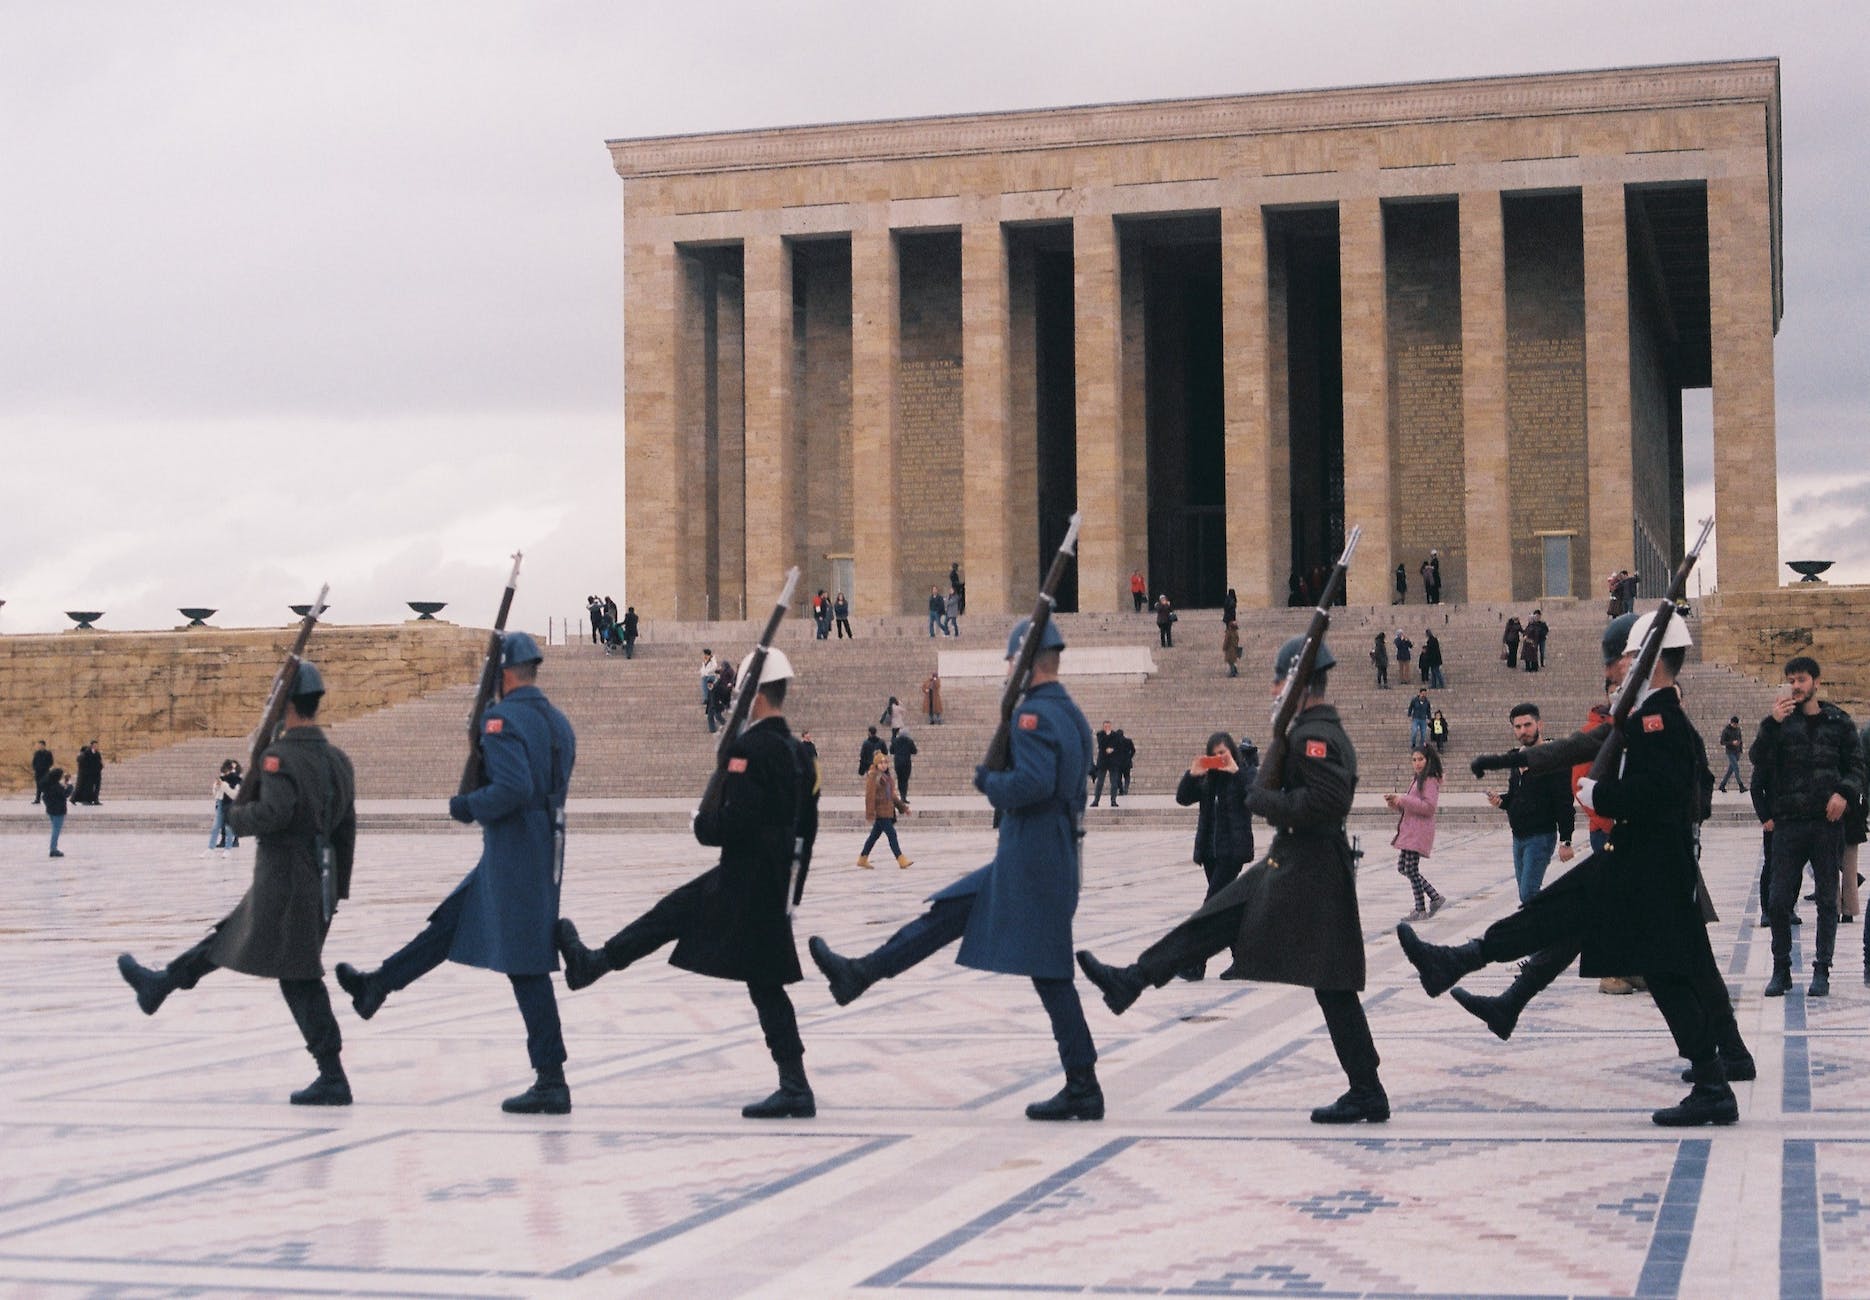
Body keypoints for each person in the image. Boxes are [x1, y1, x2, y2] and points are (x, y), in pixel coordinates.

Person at [1398, 610, 1749, 1126]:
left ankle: (1461, 961)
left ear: (1643, 661)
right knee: (1628, 949)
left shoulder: (1662, 720)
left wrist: (1600, 793)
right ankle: (1714, 1080)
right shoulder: (1645, 715)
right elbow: (1590, 749)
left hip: (1648, 863)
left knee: (1570, 920)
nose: (1615, 669)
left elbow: (1664, 793)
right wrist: (1510, 761)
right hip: (1642, 860)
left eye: (1623, 660)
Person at [1078, 634, 1388, 1124]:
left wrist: (1263, 799)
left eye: (1278, 681)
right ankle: (1132, 979)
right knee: (1221, 921)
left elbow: (1327, 803)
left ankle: (1368, 1088)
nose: (1271, 690)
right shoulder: (1308, 728)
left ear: (1298, 683)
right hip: (1299, 862)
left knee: (1329, 979)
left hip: (1308, 865)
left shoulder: (1317, 735)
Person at [808, 617, 1102, 1121]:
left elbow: (1033, 783)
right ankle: (862, 972)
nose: (1008, 669)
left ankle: (1083, 1085)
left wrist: (990, 783)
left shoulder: (1033, 714)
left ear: (1028, 664)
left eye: (1012, 662)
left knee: (1050, 970)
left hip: (1032, 857)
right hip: (1048, 854)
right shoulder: (1069, 712)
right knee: (950, 915)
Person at [558, 647, 820, 1118]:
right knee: (759, 977)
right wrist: (792, 892)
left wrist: (703, 825)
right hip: (773, 882)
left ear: (754, 697)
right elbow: (809, 827)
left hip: (743, 881)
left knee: (677, 920)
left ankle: (592, 963)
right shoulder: (799, 753)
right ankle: (794, 1083)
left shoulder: (750, 749)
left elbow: (735, 822)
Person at [335, 633, 577, 1114]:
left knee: (526, 962)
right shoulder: (559, 722)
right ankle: (377, 985)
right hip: (543, 845)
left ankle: (551, 1078)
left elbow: (512, 787)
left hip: (514, 850)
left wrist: (467, 805)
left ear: (503, 674)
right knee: (451, 923)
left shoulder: (501, 719)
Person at [117, 662, 359, 1104]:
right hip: (318, 877)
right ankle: (162, 984)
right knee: (230, 937)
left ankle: (333, 1074)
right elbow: (346, 829)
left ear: (286, 704)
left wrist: (235, 817)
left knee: (298, 975)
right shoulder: (338, 760)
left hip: (285, 877)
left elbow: (274, 815)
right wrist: (336, 890)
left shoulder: (279, 757)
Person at [1749, 655, 1865, 997]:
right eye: (1791, 680)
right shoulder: (1779, 724)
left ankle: (1822, 971)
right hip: (1788, 824)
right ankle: (1781, 968)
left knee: (1828, 900)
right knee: (1779, 899)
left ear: (1816, 682)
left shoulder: (1840, 723)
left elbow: (1856, 769)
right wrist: (1771, 723)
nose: (1796, 686)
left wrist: (1844, 793)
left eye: (1801, 679)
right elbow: (1758, 760)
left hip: (1826, 826)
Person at [1172, 732, 1256, 980]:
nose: (1220, 758)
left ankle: (1195, 963)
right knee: (1225, 908)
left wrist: (1235, 771)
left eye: (1223, 753)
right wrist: (1192, 775)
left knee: (1210, 907)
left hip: (1232, 851)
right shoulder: (1208, 779)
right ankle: (1244, 959)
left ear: (1232, 752)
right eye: (1215, 754)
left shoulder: (1244, 772)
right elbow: (1182, 798)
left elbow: (1255, 796)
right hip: (1210, 851)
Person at [1486, 703, 1575, 904]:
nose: (1523, 731)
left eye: (1527, 725)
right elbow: (1516, 796)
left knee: (1529, 894)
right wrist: (1501, 801)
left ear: (1539, 725)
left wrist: (1566, 840)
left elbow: (1564, 802)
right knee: (1526, 894)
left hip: (1540, 837)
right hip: (1518, 837)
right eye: (1518, 727)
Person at [1388, 746, 1448, 922]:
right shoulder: (1418, 779)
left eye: (1420, 759)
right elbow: (1413, 805)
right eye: (1414, 760)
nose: (1417, 763)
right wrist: (1397, 804)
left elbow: (1428, 807)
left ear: (1428, 760)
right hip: (1410, 830)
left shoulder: (1429, 780)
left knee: (1411, 869)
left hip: (1418, 831)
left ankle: (1420, 909)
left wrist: (1404, 799)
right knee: (1403, 867)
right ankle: (1434, 897)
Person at [859, 749, 913, 869]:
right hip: (881, 812)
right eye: (881, 762)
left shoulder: (886, 777)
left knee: (873, 837)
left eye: (885, 762)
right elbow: (870, 795)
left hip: (887, 811)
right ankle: (901, 859)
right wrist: (870, 813)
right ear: (876, 764)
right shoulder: (873, 776)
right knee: (892, 834)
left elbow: (892, 796)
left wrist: (903, 808)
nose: (883, 764)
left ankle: (863, 858)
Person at [209, 759, 242, 851]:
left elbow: (235, 793)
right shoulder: (222, 777)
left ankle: (233, 841)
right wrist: (217, 787)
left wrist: (224, 786)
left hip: (233, 803)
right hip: (221, 802)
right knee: (220, 824)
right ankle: (223, 841)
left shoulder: (236, 778)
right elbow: (216, 791)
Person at [42, 765, 73, 857]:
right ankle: (53, 849)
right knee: (56, 830)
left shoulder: (48, 785)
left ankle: (53, 847)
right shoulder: (56, 787)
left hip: (51, 809)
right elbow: (65, 794)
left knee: (55, 828)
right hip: (58, 811)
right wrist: (70, 786)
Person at [1091, 721, 1121, 808]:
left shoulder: (1115, 735)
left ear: (1111, 726)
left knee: (1114, 782)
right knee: (1100, 782)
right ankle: (1096, 801)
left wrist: (1113, 749)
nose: (1107, 728)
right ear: (1103, 727)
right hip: (1103, 762)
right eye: (1105, 726)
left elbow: (1118, 745)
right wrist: (1107, 735)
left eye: (1108, 726)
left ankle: (1113, 800)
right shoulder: (1100, 734)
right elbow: (1101, 744)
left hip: (1113, 762)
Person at [1718, 716, 1746, 792]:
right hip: (1730, 752)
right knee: (1736, 768)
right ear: (1731, 723)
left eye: (1737, 725)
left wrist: (1740, 750)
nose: (1736, 726)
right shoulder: (1726, 730)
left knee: (1730, 770)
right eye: (1734, 724)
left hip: (1737, 752)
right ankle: (1741, 786)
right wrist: (1732, 743)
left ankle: (1722, 785)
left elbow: (1740, 739)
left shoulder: (1738, 729)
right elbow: (1722, 742)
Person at [889, 728, 918, 801]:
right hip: (906, 763)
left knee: (900, 779)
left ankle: (902, 795)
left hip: (898, 762)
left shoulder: (895, 741)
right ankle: (903, 796)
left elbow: (891, 751)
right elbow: (914, 751)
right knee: (905, 780)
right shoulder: (909, 741)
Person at [31, 740, 53, 805]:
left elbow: (51, 762)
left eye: (41, 745)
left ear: (44, 745)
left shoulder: (48, 753)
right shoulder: (36, 753)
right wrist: (35, 768)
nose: (39, 746)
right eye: (39, 745)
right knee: (38, 786)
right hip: (38, 772)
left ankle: (48, 799)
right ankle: (37, 800)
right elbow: (33, 762)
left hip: (45, 772)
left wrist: (46, 767)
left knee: (46, 786)